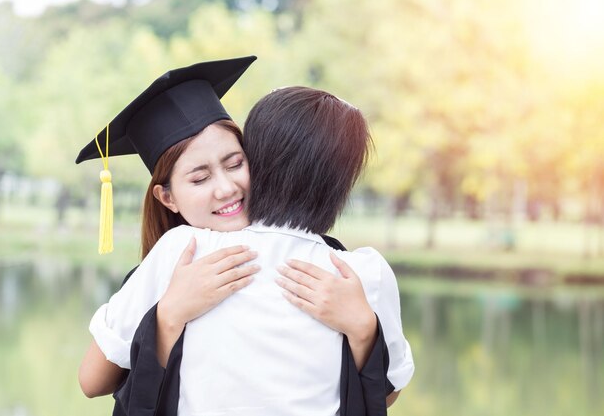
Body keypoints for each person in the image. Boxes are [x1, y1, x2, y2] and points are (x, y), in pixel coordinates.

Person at [75, 57, 402, 414]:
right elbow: (382, 396)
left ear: (260, 160)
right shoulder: (364, 271)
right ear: (166, 197)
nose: (226, 188)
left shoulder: (178, 252)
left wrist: (363, 330)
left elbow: (94, 382)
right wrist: (168, 316)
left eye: (235, 164)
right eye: (199, 179)